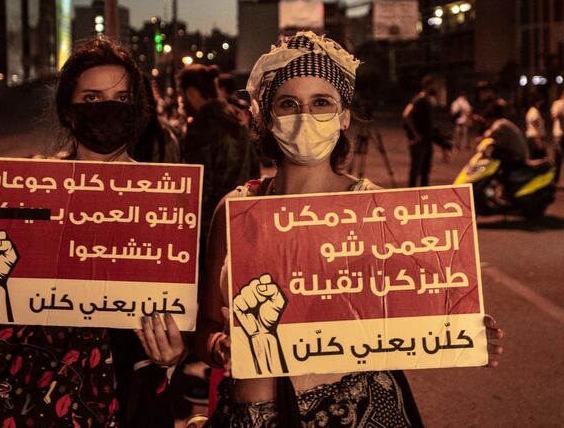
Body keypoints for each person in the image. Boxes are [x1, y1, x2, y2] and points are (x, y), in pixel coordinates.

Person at [197, 32, 503, 427]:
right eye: (288, 104)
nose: (305, 115)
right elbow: (204, 327)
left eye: (321, 102)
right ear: (266, 118)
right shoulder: (235, 210)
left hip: (358, 414)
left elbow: (415, 310)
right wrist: (219, 346)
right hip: (249, 414)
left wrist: (463, 332)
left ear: (343, 116)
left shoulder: (376, 210)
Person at [0, 37, 185, 426]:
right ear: (68, 112)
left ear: (137, 110)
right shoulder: (25, 190)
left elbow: (173, 316)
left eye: (122, 98)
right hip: (22, 396)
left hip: (119, 398)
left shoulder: (165, 202)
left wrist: (170, 357)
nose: (107, 108)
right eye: (92, 98)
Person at [179, 64, 260, 247]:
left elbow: (199, 186)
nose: (182, 101)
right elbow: (254, 171)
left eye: (183, 95)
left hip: (211, 226)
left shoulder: (201, 126)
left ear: (191, 92)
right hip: (241, 217)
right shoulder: (237, 119)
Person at [403, 76, 450, 187]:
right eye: (434, 85)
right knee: (416, 170)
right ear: (429, 85)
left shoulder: (428, 100)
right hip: (420, 141)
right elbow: (406, 114)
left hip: (427, 140)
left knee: (425, 170)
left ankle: (424, 194)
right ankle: (411, 195)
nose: (435, 88)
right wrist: (415, 134)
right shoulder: (419, 99)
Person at [524, 93, 547, 159]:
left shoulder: (531, 111)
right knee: (539, 160)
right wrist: (539, 141)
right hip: (534, 138)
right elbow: (536, 127)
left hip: (532, 138)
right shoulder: (534, 112)